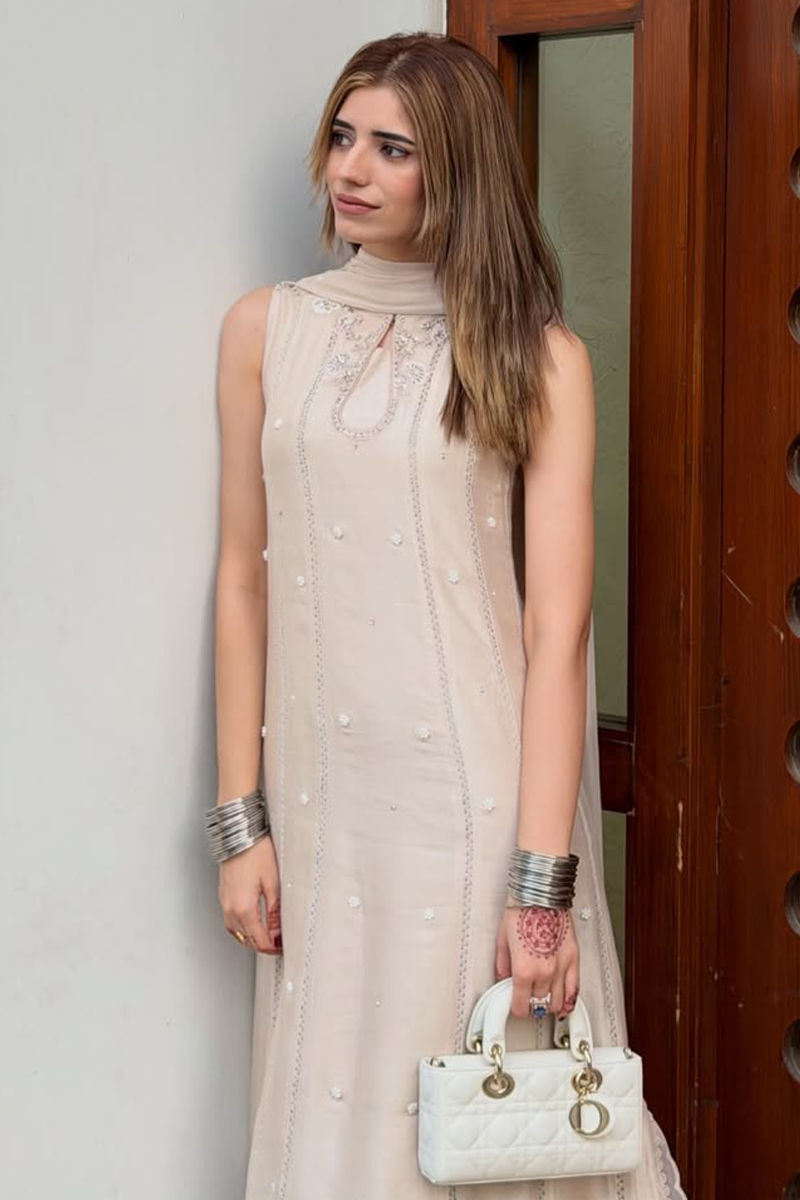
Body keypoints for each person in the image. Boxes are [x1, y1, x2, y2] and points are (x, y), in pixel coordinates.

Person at [210, 29, 688, 1200]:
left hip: (471, 805)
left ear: (458, 168)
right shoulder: (264, 329)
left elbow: (555, 635)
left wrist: (539, 889)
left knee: (472, 1121)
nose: (350, 169)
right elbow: (240, 577)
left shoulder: (537, 359)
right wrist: (238, 820)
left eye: (393, 148)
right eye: (342, 136)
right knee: (337, 1106)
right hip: (322, 805)